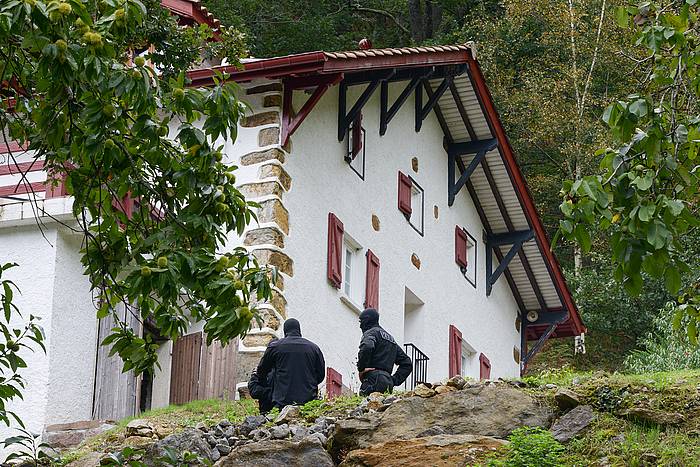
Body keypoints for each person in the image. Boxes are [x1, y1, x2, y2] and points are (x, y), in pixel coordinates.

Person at [256, 318, 325, 408]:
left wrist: (267, 386)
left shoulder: (275, 346)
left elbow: (262, 370)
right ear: (299, 330)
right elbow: (321, 375)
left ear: (285, 331)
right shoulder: (314, 348)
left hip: (282, 401)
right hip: (308, 401)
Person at [357, 308, 412, 396]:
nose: (360, 326)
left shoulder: (371, 333)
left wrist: (361, 368)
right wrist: (393, 380)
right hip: (388, 383)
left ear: (367, 320)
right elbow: (407, 363)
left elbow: (367, 346)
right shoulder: (391, 340)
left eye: (361, 322)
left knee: (367, 408)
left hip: (372, 380)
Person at [248, 338, 277, 414]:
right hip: (265, 411)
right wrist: (270, 393)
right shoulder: (261, 369)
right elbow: (254, 391)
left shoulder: (284, 370)